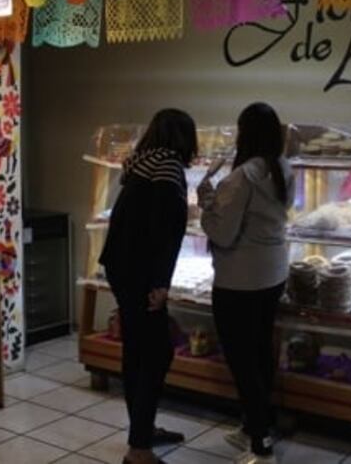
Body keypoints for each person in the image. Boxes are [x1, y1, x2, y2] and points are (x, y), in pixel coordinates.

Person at [99, 108, 198, 464]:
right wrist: (160, 284)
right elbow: (163, 231)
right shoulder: (169, 166)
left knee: (137, 352)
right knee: (157, 354)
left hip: (121, 266)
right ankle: (139, 448)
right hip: (142, 273)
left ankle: (143, 429)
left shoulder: (140, 163)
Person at [198, 102, 294, 464]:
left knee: (242, 361)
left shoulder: (241, 177)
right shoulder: (283, 168)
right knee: (259, 353)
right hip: (273, 273)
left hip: (239, 279)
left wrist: (207, 205)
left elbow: (221, 233)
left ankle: (260, 444)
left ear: (245, 134)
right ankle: (257, 424)